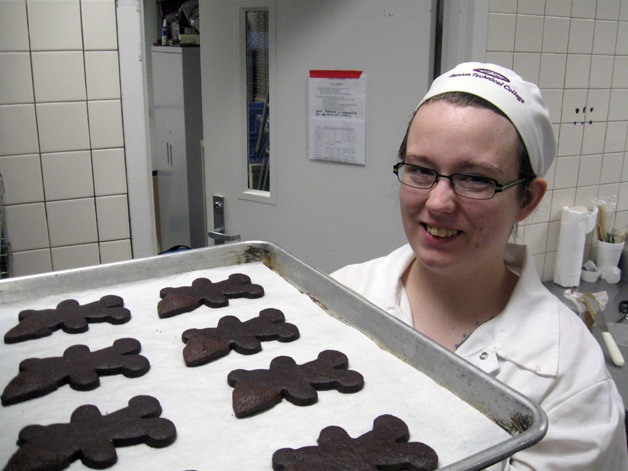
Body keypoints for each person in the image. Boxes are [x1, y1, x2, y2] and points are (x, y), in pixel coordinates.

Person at [331, 62, 628, 470]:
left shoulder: (571, 380)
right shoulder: (337, 297)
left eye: (475, 179)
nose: (437, 202)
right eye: (420, 170)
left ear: (527, 199)